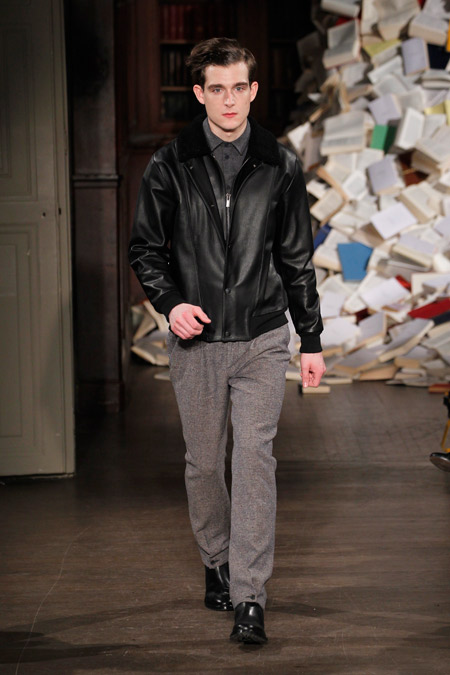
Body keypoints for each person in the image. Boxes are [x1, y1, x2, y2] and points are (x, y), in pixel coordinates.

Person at [129, 37, 325, 645]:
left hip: (263, 334)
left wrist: (311, 339)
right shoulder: (170, 164)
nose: (230, 99)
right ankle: (215, 557)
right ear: (200, 93)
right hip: (198, 341)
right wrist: (170, 303)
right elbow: (145, 249)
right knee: (205, 462)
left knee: (255, 460)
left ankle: (249, 596)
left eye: (240, 87)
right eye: (217, 88)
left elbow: (296, 258)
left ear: (254, 89)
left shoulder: (280, 164)